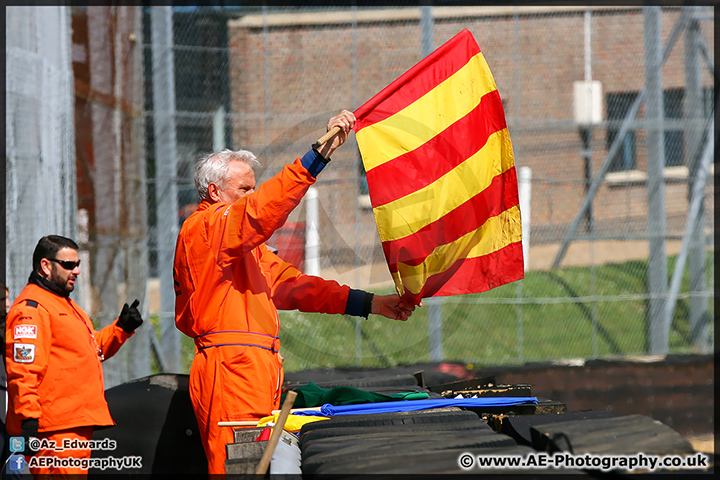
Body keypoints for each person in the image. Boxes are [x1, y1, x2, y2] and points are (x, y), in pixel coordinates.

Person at [173, 110, 417, 473]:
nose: (251, 195)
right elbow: (261, 210)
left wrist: (372, 303)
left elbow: (296, 287)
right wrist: (316, 157)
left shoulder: (238, 246)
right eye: (244, 189)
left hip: (249, 367)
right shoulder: (206, 228)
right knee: (238, 466)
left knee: (255, 463)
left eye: (252, 188)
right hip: (232, 369)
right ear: (214, 191)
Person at [4, 235, 144, 478]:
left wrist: (121, 328)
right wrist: (28, 420)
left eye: (77, 264)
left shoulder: (63, 304)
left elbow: (91, 350)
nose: (77, 270)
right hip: (52, 430)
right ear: (46, 266)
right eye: (69, 265)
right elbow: (23, 371)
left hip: (71, 424)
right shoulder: (31, 309)